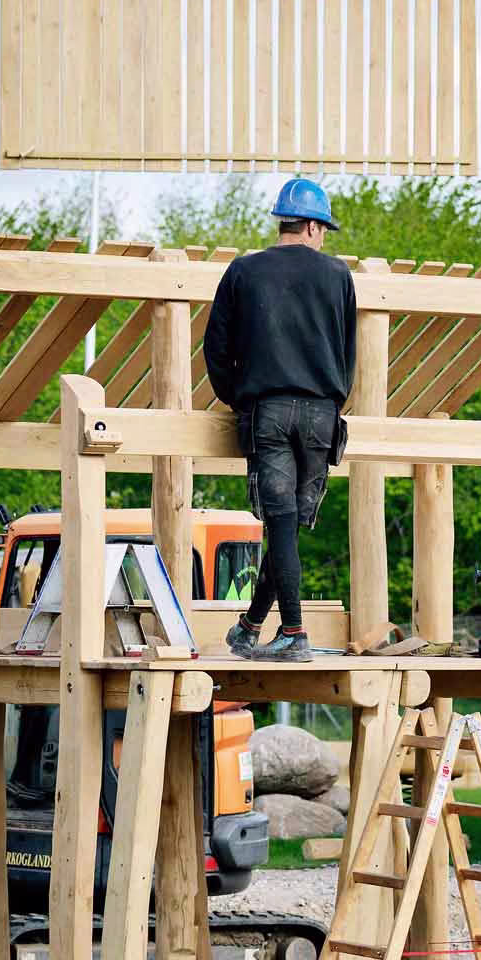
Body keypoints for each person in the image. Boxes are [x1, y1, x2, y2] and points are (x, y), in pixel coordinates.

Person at [202, 178, 356, 657]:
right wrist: (335, 400)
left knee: (282, 524)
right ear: (311, 225)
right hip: (321, 413)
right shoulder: (338, 276)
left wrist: (237, 400)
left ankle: (291, 633)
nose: (324, 237)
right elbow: (349, 350)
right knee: (286, 527)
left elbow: (216, 347)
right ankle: (253, 627)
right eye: (324, 228)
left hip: (267, 409)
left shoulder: (244, 272)